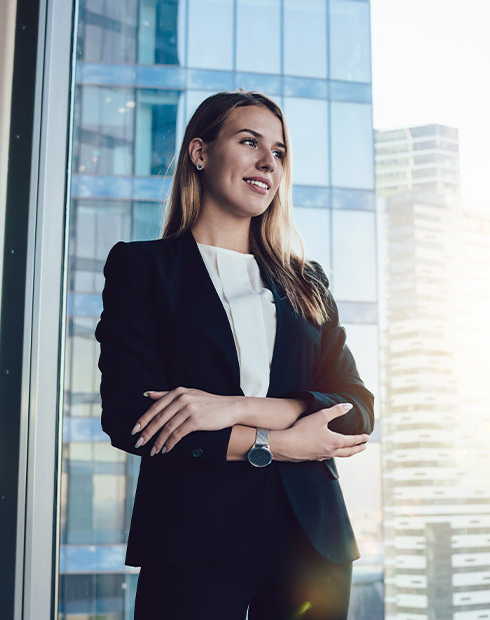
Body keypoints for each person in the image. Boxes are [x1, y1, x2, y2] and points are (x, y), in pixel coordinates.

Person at [95, 90, 375, 619]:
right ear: (200, 153)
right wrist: (282, 443)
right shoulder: (142, 269)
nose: (268, 162)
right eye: (250, 142)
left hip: (311, 545)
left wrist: (232, 408)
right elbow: (132, 417)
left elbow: (356, 409)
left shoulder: (306, 280)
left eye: (280, 151)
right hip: (190, 540)